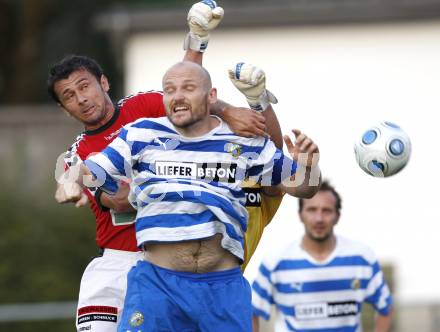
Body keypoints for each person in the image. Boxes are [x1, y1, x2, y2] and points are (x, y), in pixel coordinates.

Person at [50, 2, 267, 331]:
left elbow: (187, 88)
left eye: (84, 86)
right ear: (65, 109)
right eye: (69, 96)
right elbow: (116, 199)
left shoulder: (144, 107)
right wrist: (69, 182)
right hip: (119, 260)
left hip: (178, 262)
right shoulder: (79, 152)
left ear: (104, 83)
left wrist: (225, 107)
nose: (80, 98)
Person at [62, 60, 321, 331]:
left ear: (211, 97)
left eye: (188, 88)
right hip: (158, 286)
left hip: (223, 288)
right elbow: (88, 168)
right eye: (170, 90)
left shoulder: (241, 142)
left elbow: (305, 187)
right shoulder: (140, 134)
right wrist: (69, 181)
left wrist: (309, 166)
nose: (178, 96)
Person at [251, 180, 394, 332]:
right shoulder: (275, 262)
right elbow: (251, 311)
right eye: (312, 210)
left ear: (337, 216)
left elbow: (386, 308)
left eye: (326, 210)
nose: (319, 218)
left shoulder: (362, 259)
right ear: (300, 215)